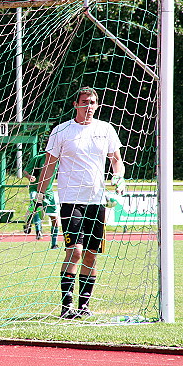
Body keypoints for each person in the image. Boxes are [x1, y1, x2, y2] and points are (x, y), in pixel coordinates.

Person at [35, 87, 125, 319]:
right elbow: (49, 165)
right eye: (85, 102)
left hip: (96, 201)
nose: (89, 106)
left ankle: (83, 305)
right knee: (74, 251)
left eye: (93, 102)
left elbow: (116, 161)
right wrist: (40, 193)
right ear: (75, 104)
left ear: (97, 105)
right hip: (70, 200)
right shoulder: (62, 131)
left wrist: (119, 177)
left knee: (91, 254)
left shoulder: (106, 129)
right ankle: (67, 307)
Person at [23, 150, 60, 249]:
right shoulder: (38, 158)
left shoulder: (59, 159)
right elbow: (25, 171)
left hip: (48, 192)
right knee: (36, 205)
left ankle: (54, 243)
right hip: (35, 189)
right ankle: (38, 230)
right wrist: (29, 176)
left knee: (54, 217)